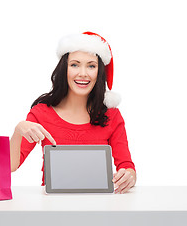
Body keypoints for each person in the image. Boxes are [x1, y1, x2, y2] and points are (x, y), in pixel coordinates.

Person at [10, 31, 136, 194]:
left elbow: (127, 166)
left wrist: (129, 177)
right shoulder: (41, 113)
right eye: (75, 64)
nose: (83, 73)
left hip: (99, 206)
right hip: (52, 208)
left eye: (91, 65)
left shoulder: (112, 115)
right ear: (64, 69)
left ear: (99, 72)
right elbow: (11, 166)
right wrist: (18, 130)